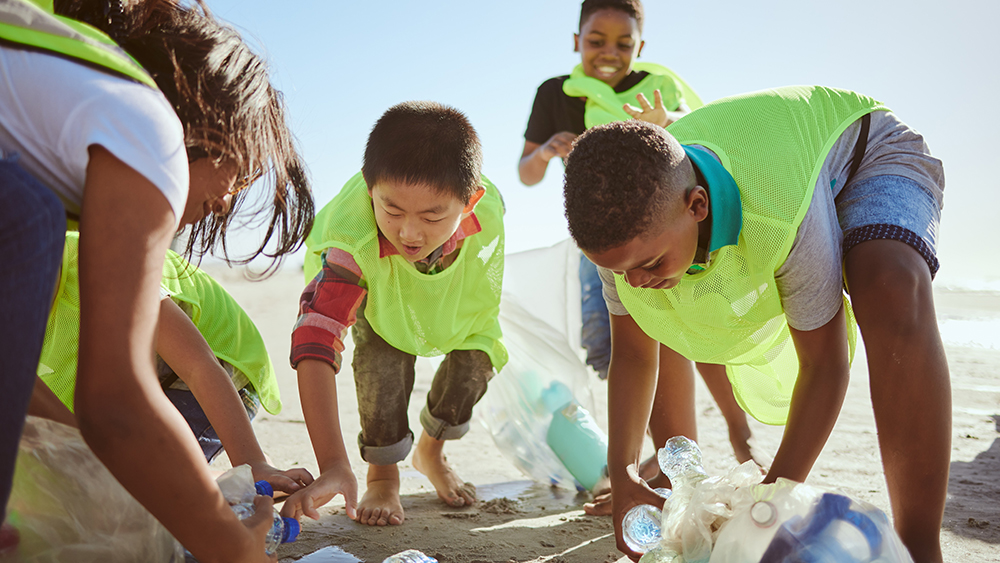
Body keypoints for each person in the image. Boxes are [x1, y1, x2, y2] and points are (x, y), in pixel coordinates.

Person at [562, 85, 948, 563]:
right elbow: (638, 356)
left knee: (887, 282)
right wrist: (623, 476)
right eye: (620, 271)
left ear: (698, 206)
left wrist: (769, 501)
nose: (634, 282)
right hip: (753, 191)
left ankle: (920, 546)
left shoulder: (776, 212)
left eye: (649, 264)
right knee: (664, 301)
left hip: (869, 156)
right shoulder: (628, 233)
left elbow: (824, 366)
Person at [0, 0, 313, 560]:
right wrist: (233, 550)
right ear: (207, 128)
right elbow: (115, 401)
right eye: (239, 173)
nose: (226, 199)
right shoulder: (153, 131)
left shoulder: (47, 142)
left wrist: (92, 476)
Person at [516, 0, 760, 513]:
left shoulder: (658, 85)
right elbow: (527, 173)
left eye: (623, 44)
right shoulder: (556, 94)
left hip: (670, 232)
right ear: (575, 39)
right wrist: (544, 152)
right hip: (605, 242)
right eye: (595, 41)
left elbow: (703, 143)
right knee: (616, 346)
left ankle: (694, 458)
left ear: (641, 47)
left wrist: (665, 124)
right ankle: (657, 464)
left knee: (684, 335)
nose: (609, 53)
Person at [282, 102, 507, 527]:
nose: (409, 232)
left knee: (476, 361)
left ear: (470, 201)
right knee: (382, 356)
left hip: (455, 295)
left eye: (432, 215)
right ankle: (382, 474)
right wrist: (332, 464)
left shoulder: (488, 208)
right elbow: (315, 337)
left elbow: (485, 292)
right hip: (380, 293)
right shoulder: (354, 239)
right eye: (392, 211)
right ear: (370, 190)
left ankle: (430, 453)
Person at [28, 231, 312, 492]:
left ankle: (229, 476)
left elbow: (198, 366)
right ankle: (209, 477)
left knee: (134, 491)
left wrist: (252, 462)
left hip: (219, 368)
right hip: (134, 375)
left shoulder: (103, 266)